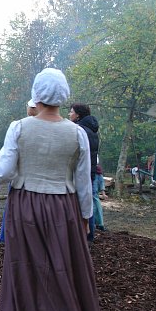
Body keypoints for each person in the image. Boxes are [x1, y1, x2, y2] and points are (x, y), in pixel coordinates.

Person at [0, 68, 107, 311]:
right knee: (62, 272)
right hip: (63, 209)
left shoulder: (19, 127)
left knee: (26, 270)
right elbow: (83, 183)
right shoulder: (77, 133)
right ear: (62, 95)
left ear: (36, 93)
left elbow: (3, 172)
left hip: (25, 206)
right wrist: (86, 218)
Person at [0, 98, 39, 243]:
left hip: (21, 180)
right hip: (43, 184)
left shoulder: (19, 127)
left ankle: (10, 238)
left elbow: (7, 163)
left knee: (16, 212)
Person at [69, 102, 100, 244]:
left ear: (78, 115)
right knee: (89, 201)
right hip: (91, 171)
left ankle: (86, 237)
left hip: (82, 172)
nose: (69, 114)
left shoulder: (80, 131)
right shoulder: (92, 130)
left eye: (71, 112)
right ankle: (89, 236)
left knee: (83, 204)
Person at [94, 163, 107, 231]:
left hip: (94, 195)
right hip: (88, 194)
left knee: (97, 209)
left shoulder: (98, 172)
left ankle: (99, 225)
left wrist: (103, 194)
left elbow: (101, 183)